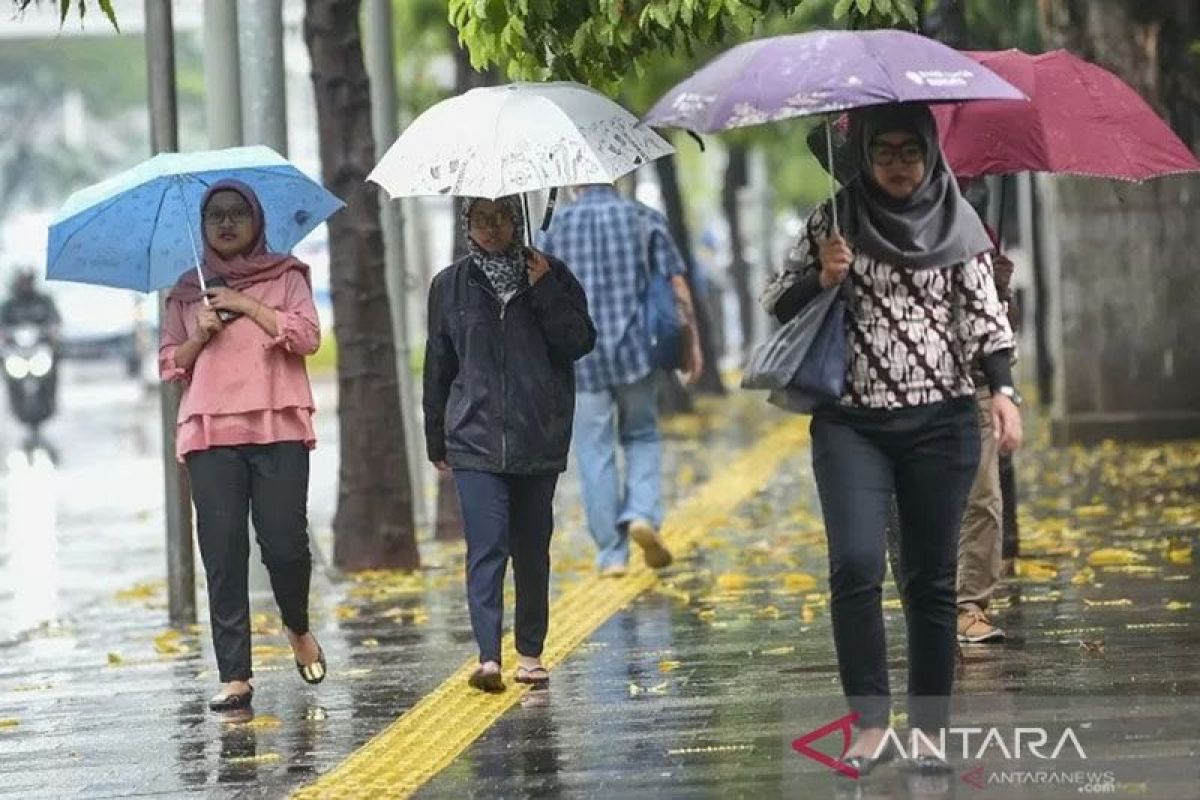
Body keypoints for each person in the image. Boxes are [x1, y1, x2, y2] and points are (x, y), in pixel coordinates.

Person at [761, 104, 1022, 774]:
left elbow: (984, 317)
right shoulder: (835, 219)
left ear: (929, 152)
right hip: (852, 423)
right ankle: (871, 725)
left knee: (930, 581)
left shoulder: (957, 218)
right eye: (885, 151)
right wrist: (822, 275)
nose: (899, 163)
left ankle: (929, 730)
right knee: (854, 565)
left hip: (940, 423)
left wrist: (1003, 393)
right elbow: (776, 300)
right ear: (865, 156)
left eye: (911, 150)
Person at [159, 179, 325, 712]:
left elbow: (308, 338)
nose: (226, 223)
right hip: (210, 433)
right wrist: (201, 331)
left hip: (278, 426)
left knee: (284, 545)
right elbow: (171, 364)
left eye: (237, 214)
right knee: (223, 553)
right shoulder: (187, 290)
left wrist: (245, 304)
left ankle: (297, 626)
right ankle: (234, 674)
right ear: (204, 228)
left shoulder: (288, 275)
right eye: (215, 217)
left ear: (256, 220)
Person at [424, 196, 596, 692]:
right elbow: (438, 366)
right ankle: (487, 657)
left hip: (536, 434)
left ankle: (530, 652)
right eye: (483, 219)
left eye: (502, 217)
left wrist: (544, 290)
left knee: (531, 547)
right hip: (473, 437)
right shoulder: (449, 285)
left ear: (517, 219)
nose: (494, 228)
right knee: (486, 545)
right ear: (468, 224)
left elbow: (579, 342)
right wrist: (436, 435)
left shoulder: (552, 274)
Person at [538, 184, 703, 577]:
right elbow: (677, 285)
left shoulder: (553, 228)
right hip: (637, 353)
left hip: (581, 358)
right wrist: (692, 345)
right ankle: (642, 512)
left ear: (576, 181)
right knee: (642, 435)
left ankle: (612, 554)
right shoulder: (643, 218)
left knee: (595, 452)